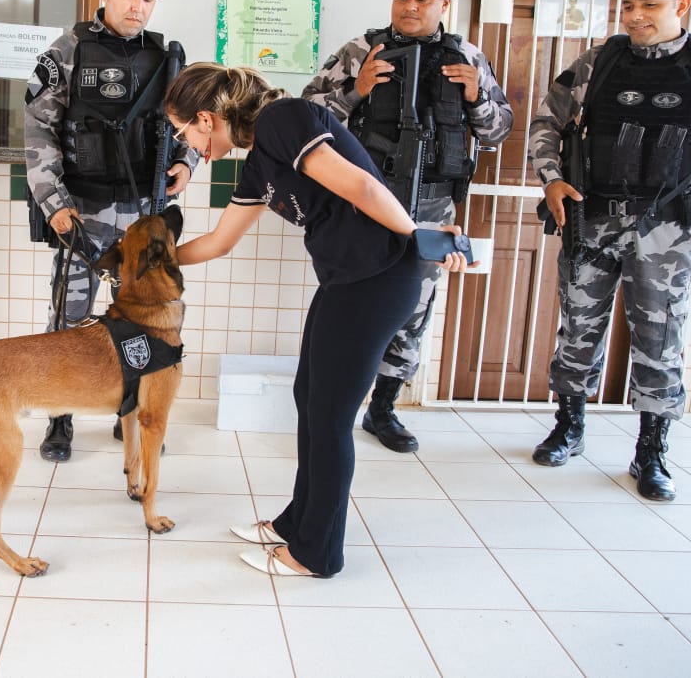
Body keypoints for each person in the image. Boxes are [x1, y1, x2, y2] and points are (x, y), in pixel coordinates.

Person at [166, 63, 468, 578]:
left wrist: (420, 236)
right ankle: (296, 522)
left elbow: (363, 189)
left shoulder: (284, 119)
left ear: (207, 118)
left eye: (186, 132)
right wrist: (148, 264)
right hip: (347, 282)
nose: (189, 143)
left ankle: (317, 553)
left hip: (380, 278)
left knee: (329, 418)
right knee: (309, 398)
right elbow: (218, 242)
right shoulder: (260, 160)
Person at [529, 0, 691, 501]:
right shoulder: (600, 60)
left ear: (681, 7)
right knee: (578, 327)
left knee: (661, 338)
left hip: (667, 229)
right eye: (628, 6)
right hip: (592, 220)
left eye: (649, 7)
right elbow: (547, 122)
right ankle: (569, 427)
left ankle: (651, 451)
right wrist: (553, 179)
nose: (636, 17)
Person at [302, 0, 513, 453]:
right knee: (353, 301)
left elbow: (500, 129)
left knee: (412, 311)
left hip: (431, 208)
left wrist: (477, 97)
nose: (410, 7)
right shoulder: (362, 50)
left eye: (421, 0)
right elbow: (307, 115)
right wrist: (355, 92)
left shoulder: (468, 57)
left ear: (444, 5)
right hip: (362, 205)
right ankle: (338, 403)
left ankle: (384, 409)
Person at [24, 0, 196, 462]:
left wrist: (186, 164)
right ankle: (59, 419)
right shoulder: (67, 51)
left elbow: (188, 123)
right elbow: (38, 132)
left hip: (144, 216)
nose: (138, 7)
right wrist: (54, 204)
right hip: (84, 210)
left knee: (143, 320)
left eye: (148, 0)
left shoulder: (166, 59)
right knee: (69, 315)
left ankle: (132, 412)